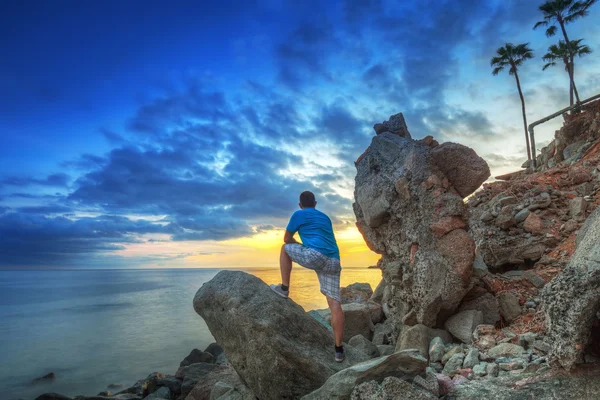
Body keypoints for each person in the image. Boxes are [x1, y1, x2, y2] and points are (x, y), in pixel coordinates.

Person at [270, 191, 345, 362]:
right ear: (315, 203)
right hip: (334, 260)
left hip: (315, 255)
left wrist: (300, 245)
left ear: (300, 204)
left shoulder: (299, 214)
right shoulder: (325, 217)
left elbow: (287, 238)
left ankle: (284, 288)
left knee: (284, 249)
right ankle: (339, 350)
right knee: (334, 303)